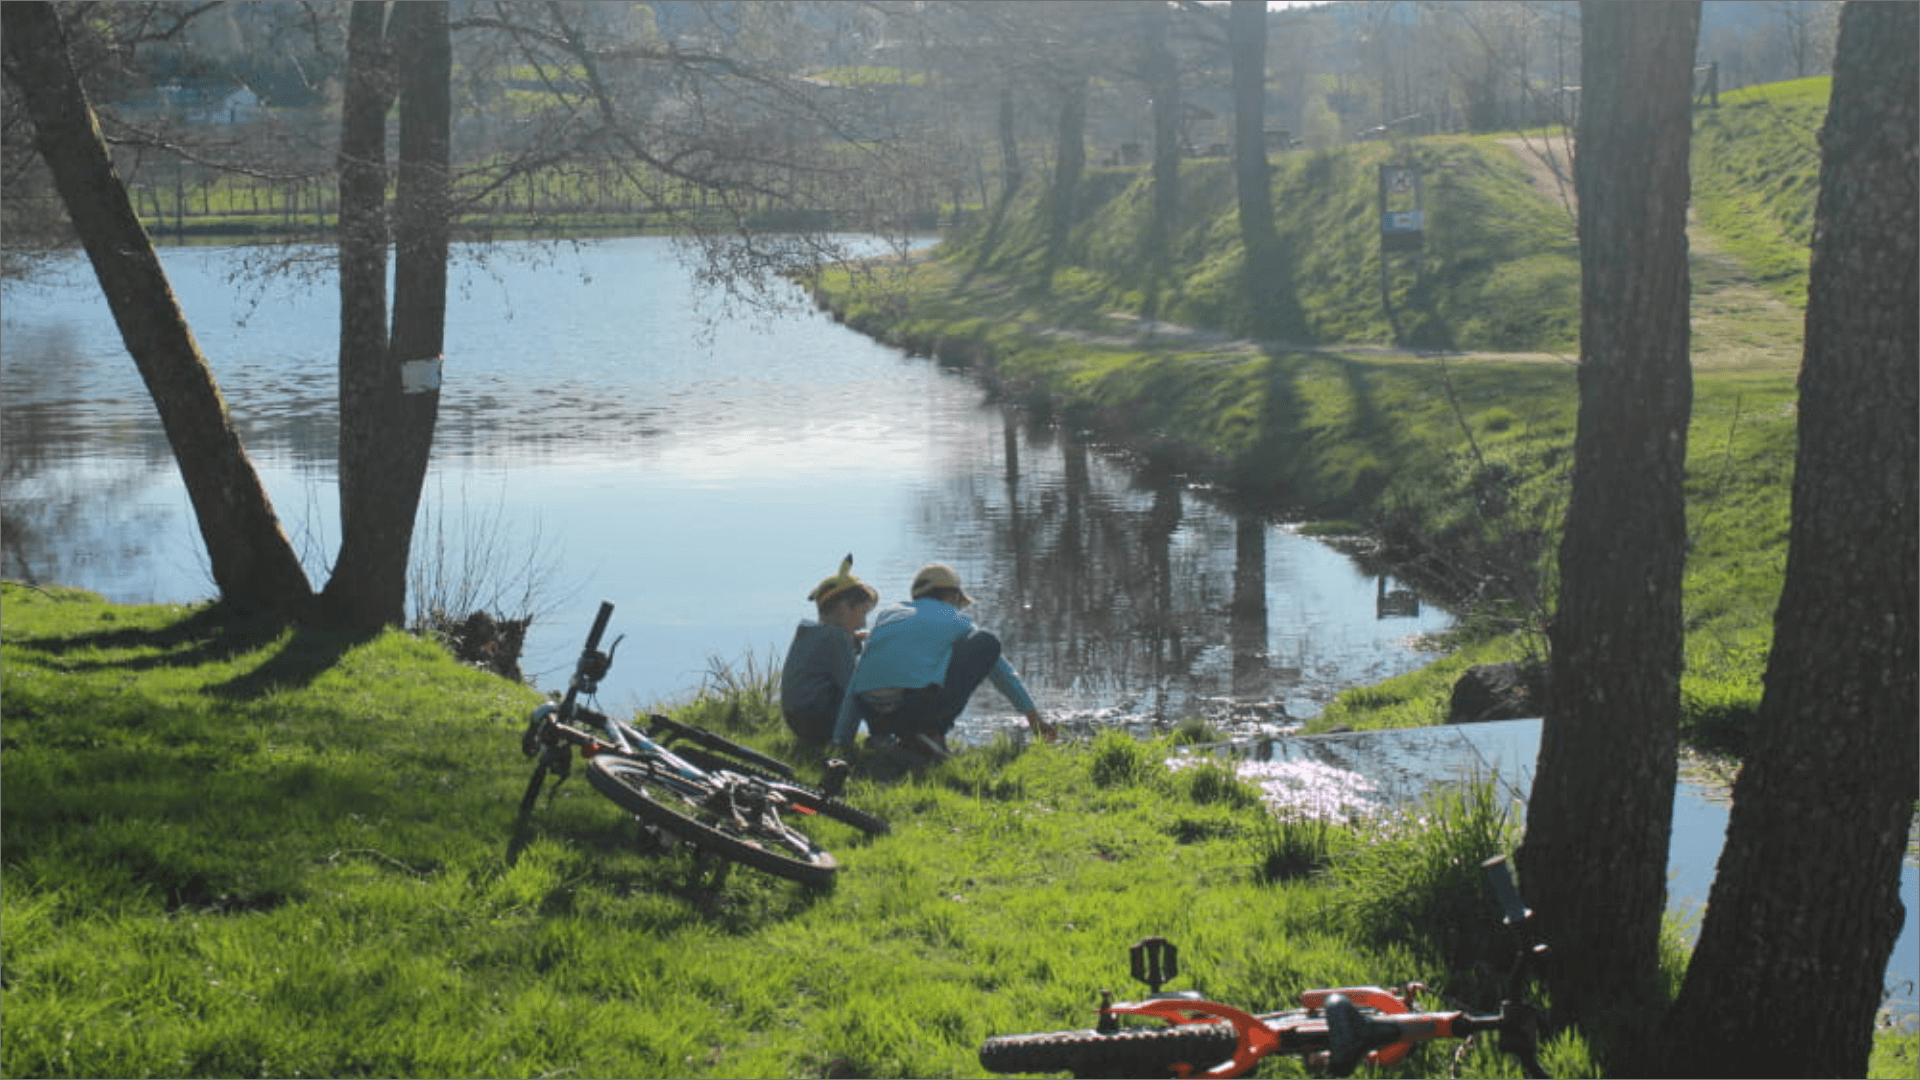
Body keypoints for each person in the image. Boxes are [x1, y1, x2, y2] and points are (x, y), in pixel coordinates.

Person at [829, 562, 1057, 761]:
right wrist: (1033, 717)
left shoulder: (887, 616)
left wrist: (842, 739)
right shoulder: (957, 620)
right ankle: (930, 733)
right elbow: (1001, 672)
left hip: (874, 714)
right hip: (910, 709)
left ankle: (885, 740)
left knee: (898, 666)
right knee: (986, 643)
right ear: (953, 597)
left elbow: (859, 676)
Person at [780, 555, 878, 750]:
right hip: (816, 718)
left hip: (797, 718)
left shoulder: (810, 632)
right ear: (843, 608)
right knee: (862, 692)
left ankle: (821, 742)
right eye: (862, 613)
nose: (863, 623)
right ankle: (844, 745)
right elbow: (853, 686)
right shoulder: (836, 639)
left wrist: (854, 645)